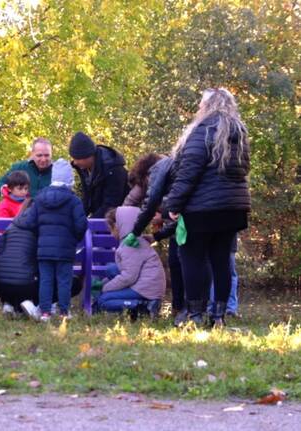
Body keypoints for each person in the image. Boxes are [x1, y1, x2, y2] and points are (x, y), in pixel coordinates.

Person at [166, 88, 250, 327]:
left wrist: (174, 204)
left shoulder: (202, 130)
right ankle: (219, 317)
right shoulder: (239, 132)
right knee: (221, 260)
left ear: (207, 106)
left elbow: (188, 172)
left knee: (192, 259)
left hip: (202, 209)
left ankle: (194, 315)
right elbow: (244, 170)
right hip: (233, 208)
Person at [119, 154, 188, 326]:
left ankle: (187, 309)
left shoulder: (168, 177)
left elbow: (175, 216)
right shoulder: (144, 184)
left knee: (182, 264)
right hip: (175, 226)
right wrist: (132, 231)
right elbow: (129, 205)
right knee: (175, 263)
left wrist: (158, 218)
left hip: (180, 226)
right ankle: (179, 308)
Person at [15, 159, 87, 320]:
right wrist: (74, 239)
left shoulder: (40, 198)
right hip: (65, 249)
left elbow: (30, 222)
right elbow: (81, 225)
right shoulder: (74, 200)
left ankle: (45, 312)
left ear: (53, 177)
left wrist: (17, 221)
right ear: (70, 180)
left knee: (45, 280)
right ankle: (63, 312)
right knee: (64, 280)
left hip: (44, 249)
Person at [0, 199, 83, 315]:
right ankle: (31, 303)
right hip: (26, 285)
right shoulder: (43, 230)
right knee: (72, 283)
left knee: (17, 274)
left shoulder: (11, 227)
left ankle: (10, 303)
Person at [94, 207, 166, 318]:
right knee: (111, 269)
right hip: (147, 285)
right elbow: (125, 271)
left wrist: (105, 288)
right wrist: (103, 284)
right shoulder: (134, 240)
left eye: (111, 229)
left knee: (104, 300)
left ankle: (143, 307)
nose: (111, 233)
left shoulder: (130, 245)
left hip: (146, 290)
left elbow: (128, 277)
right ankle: (142, 303)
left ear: (118, 226)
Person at [69, 132, 128, 218]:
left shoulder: (114, 170)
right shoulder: (84, 169)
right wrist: (78, 218)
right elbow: (87, 199)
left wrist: (90, 222)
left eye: (77, 159)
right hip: (100, 218)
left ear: (88, 156)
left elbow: (111, 204)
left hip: (120, 220)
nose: (75, 162)